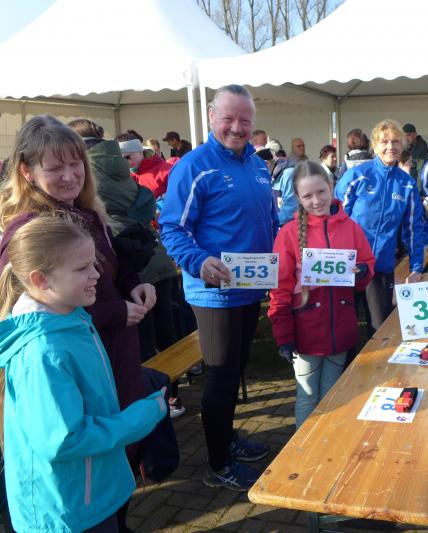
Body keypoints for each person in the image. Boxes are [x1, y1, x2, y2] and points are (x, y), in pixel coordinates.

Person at [0, 115, 156, 531]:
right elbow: (30, 314)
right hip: (76, 368)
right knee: (95, 459)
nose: (70, 176)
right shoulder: (32, 232)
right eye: (55, 167)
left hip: (108, 357)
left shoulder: (86, 212)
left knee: (115, 458)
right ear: (26, 171)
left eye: (76, 164)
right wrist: (116, 312)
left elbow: (107, 270)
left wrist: (134, 284)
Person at [159, 84, 279, 491]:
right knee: (221, 377)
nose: (237, 127)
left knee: (235, 370)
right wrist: (198, 262)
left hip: (251, 286)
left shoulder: (258, 165)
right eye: (229, 118)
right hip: (214, 293)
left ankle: (225, 438)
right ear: (212, 117)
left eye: (245, 120)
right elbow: (172, 228)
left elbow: (269, 221)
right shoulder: (194, 166)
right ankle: (217, 463)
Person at [67, 119, 184, 418]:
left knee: (143, 340)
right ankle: (171, 397)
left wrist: (120, 222)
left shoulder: (91, 171)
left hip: (128, 261)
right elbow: (145, 198)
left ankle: (154, 402)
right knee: (165, 331)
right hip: (150, 255)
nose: (68, 174)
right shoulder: (118, 164)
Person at [269, 161, 375, 427]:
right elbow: (280, 289)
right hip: (305, 332)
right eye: (307, 196)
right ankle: (302, 448)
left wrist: (362, 272)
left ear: (331, 187)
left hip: (340, 329)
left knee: (332, 396)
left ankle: (326, 443)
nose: (316, 201)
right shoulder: (288, 234)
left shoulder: (351, 227)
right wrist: (283, 335)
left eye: (321, 192)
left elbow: (366, 266)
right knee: (307, 397)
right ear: (298, 197)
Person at [335, 119, 428, 332]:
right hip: (348, 264)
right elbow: (336, 220)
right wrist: (336, 257)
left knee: (379, 328)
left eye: (395, 141)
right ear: (374, 145)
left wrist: (416, 267)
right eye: (384, 141)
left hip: (381, 267)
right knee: (343, 328)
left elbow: (413, 229)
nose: (390, 147)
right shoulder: (357, 176)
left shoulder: (407, 184)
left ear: (402, 145)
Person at [117, 133, 178, 201]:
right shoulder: (122, 177)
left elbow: (180, 198)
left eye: (127, 157)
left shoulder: (167, 171)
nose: (125, 162)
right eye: (120, 160)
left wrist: (159, 204)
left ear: (140, 152)